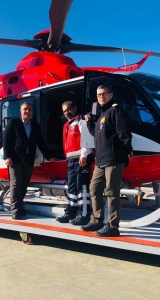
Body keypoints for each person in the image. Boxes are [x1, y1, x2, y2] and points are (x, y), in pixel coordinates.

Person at [81, 84, 133, 237]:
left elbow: (124, 132)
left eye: (104, 94)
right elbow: (95, 134)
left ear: (111, 95)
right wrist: (90, 122)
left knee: (111, 191)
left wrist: (127, 149)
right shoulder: (102, 116)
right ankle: (97, 220)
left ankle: (113, 226)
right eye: (99, 95)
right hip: (101, 160)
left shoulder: (115, 111)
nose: (101, 97)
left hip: (114, 159)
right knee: (94, 189)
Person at [3, 102, 55, 219]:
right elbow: (6, 140)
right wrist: (7, 156)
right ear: (21, 111)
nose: (27, 111)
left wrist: (48, 156)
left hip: (28, 160)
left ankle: (19, 207)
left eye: (30, 109)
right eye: (25, 109)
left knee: (24, 184)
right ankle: (15, 210)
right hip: (15, 159)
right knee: (16, 184)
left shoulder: (35, 126)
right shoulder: (13, 123)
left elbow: (40, 142)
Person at [56, 101, 93, 225]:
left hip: (81, 160)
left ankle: (84, 214)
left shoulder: (81, 121)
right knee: (71, 187)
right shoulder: (66, 124)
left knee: (82, 186)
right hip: (71, 161)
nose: (67, 112)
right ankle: (71, 211)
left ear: (75, 108)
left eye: (69, 109)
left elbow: (86, 139)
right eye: (65, 111)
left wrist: (84, 155)